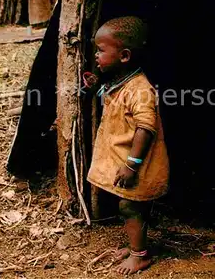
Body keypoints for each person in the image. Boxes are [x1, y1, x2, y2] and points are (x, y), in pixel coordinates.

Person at [87, 16, 169, 275]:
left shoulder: (140, 90)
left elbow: (146, 128)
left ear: (124, 56)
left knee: (130, 207)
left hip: (139, 164)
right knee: (131, 206)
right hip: (129, 162)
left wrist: (132, 165)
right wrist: (95, 87)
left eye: (101, 50)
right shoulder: (122, 82)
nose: (96, 56)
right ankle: (137, 246)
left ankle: (140, 256)